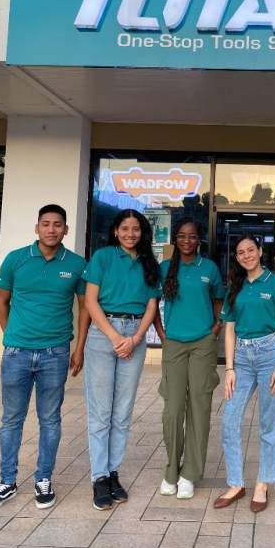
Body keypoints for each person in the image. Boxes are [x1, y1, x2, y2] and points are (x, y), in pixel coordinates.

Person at [0, 205, 88, 513]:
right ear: (36, 227)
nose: (51, 229)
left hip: (55, 353)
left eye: (57, 225)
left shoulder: (77, 265)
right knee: (11, 419)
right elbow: (2, 300)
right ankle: (6, 482)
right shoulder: (16, 259)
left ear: (66, 230)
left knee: (50, 419)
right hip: (17, 352)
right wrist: (12, 335)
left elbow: (84, 310)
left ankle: (44, 479)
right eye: (46, 224)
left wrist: (78, 349)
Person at [83, 209, 160, 510]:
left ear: (143, 233)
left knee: (123, 411)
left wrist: (136, 338)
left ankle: (113, 471)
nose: (131, 234)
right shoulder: (102, 257)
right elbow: (90, 301)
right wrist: (115, 337)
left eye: (136, 229)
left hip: (135, 334)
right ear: (115, 231)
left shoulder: (149, 263)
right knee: (101, 411)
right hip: (104, 334)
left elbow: (152, 305)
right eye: (125, 228)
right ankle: (99, 477)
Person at [214, 235, 275, 513]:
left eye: (251, 250)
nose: (246, 255)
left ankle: (263, 483)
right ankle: (236, 483)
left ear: (260, 252)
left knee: (268, 424)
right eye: (240, 252)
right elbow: (229, 328)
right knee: (229, 421)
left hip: (269, 353)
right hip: (242, 358)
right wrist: (230, 368)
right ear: (236, 257)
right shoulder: (235, 287)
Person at [154, 218, 224, 500]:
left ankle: (190, 473)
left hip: (203, 345)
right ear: (175, 239)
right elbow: (151, 302)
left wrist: (215, 329)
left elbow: (220, 300)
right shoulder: (163, 269)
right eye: (181, 236)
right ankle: (171, 470)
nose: (186, 240)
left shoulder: (209, 268)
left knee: (199, 408)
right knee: (172, 411)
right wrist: (162, 334)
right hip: (174, 345)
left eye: (192, 236)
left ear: (199, 240)